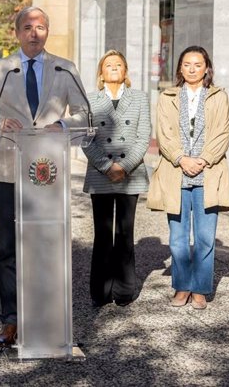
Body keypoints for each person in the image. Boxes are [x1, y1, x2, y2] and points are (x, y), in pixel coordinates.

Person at [0, 6, 88, 347]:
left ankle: (46, 319)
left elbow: (85, 113)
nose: (34, 33)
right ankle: (11, 321)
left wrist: (63, 125)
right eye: (27, 27)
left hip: (48, 174)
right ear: (17, 32)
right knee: (9, 248)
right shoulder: (0, 70)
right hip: (9, 170)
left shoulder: (65, 69)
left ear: (47, 31)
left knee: (48, 246)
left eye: (40, 27)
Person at [147, 46, 229, 310]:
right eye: (187, 64)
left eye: (198, 64)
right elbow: (163, 133)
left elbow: (223, 133)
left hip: (209, 172)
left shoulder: (219, 97)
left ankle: (200, 289)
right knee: (178, 237)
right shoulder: (167, 97)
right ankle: (182, 286)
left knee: (205, 237)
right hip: (176, 172)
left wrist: (204, 159)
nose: (192, 69)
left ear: (207, 67)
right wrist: (181, 159)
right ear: (180, 69)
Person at [82, 50, 151, 308]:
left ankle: (123, 291)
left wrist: (124, 166)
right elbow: (86, 138)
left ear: (125, 71)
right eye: (108, 65)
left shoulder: (140, 99)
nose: (113, 68)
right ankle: (100, 292)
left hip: (129, 175)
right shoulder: (89, 100)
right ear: (101, 72)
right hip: (101, 174)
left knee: (124, 232)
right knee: (102, 234)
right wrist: (106, 166)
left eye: (118, 64)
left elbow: (143, 136)